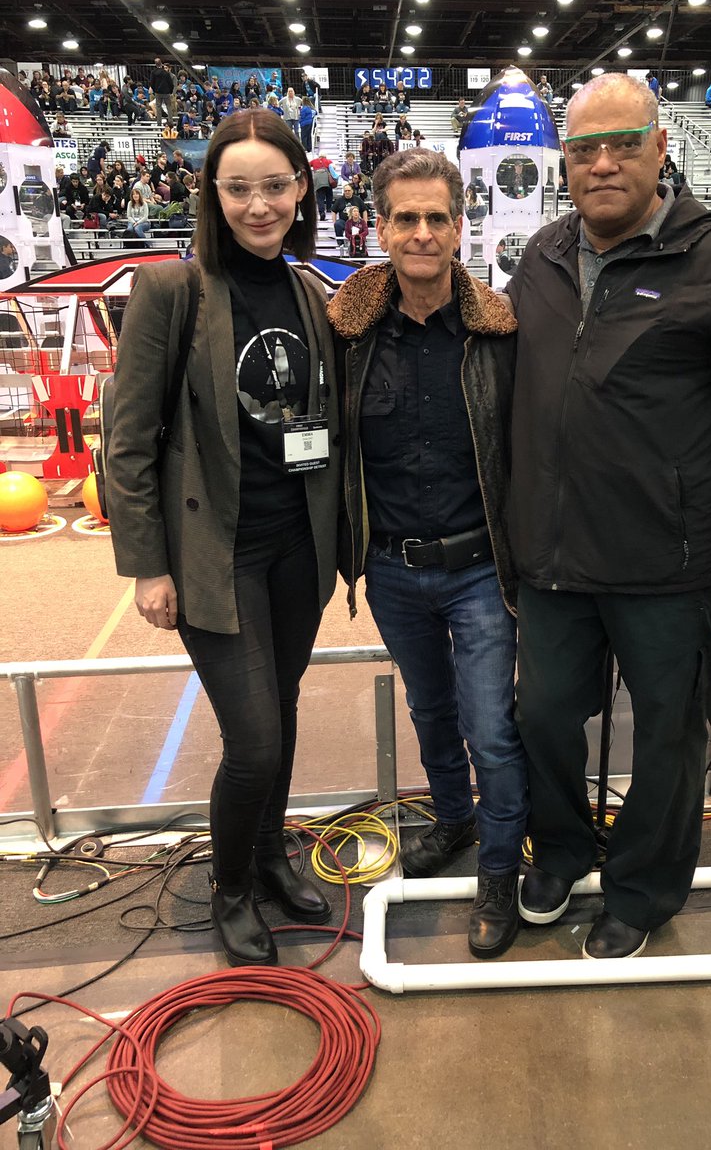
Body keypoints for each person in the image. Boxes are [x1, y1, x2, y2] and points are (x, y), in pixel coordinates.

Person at [506, 73, 711, 959]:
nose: (602, 164)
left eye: (623, 143)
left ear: (660, 147)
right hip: (553, 563)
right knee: (544, 720)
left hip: (669, 570)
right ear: (564, 160)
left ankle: (641, 891)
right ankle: (559, 852)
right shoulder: (542, 257)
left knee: (671, 745)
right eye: (583, 148)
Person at [105, 108, 340, 969]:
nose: (258, 204)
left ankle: (273, 856)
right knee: (256, 743)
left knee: (279, 715)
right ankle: (230, 888)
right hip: (218, 555)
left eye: (274, 185)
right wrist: (146, 567)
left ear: (301, 188)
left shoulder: (310, 290)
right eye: (238, 188)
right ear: (213, 193)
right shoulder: (173, 291)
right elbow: (126, 439)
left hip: (296, 552)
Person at [327, 149, 528, 959]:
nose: (420, 232)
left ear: (458, 226)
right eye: (404, 217)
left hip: (481, 568)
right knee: (430, 712)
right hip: (394, 572)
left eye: (435, 217)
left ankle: (502, 871)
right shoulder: (351, 336)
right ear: (379, 227)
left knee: (492, 728)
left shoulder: (498, 332)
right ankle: (454, 820)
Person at [150, 57, 176, 128]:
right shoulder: (166, 73)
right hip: (166, 92)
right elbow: (170, 83)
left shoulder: (153, 72)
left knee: (158, 107)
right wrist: (170, 91)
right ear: (161, 63)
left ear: (155, 64)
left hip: (158, 93)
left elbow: (152, 83)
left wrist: (155, 90)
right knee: (169, 106)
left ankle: (159, 123)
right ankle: (170, 122)